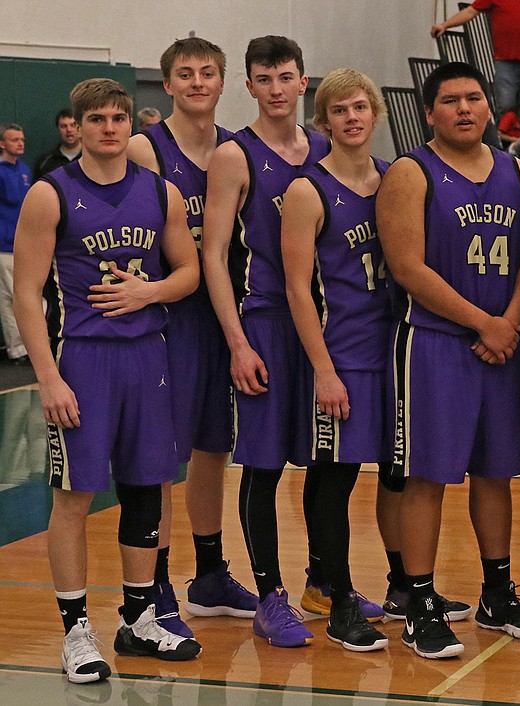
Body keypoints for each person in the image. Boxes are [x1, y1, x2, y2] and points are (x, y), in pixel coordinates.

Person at [13, 77, 202, 683]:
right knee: (74, 496)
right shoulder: (50, 195)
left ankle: (139, 616)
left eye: (119, 118)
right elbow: (24, 294)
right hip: (84, 360)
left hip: (148, 357)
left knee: (147, 487)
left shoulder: (159, 191)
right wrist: (48, 378)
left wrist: (151, 290)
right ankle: (75, 630)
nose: (110, 128)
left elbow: (190, 271)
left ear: (131, 125)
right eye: (97, 119)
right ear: (78, 125)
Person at [377, 61, 520, 660]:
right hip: (434, 343)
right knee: (428, 477)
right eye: (451, 101)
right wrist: (486, 323)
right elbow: (408, 269)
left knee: (494, 472)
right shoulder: (409, 172)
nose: (466, 109)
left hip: (498, 344)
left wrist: (509, 322)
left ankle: (497, 592)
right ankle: (419, 601)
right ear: (430, 112)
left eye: (475, 97)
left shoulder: (516, 171)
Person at [123, 36, 259, 643]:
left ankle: (208, 574)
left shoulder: (235, 150)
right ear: (168, 84)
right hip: (166, 320)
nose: (198, 82)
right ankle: (155, 586)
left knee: (212, 448)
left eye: (208, 73)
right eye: (186, 74)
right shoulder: (144, 150)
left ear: (223, 82)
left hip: (222, 315)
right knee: (161, 457)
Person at [202, 35, 334, 648]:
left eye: (286, 76)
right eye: (264, 78)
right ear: (248, 87)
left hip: (325, 326)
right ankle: (268, 594)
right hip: (264, 323)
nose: (277, 88)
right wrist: (236, 341)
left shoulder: (330, 146)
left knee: (328, 459)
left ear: (303, 81)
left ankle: (326, 580)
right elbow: (214, 254)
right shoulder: (236, 155)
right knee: (264, 462)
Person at [282, 68, 393, 653]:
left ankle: (382, 585)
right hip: (341, 356)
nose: (352, 118)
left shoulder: (396, 181)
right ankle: (338, 595)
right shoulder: (309, 190)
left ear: (374, 114)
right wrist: (323, 370)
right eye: (339, 111)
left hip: (392, 353)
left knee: (393, 476)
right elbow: (299, 290)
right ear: (323, 123)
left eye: (360, 108)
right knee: (334, 477)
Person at [431, 0, 520, 116]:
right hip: (507, 61)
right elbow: (470, 11)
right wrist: (445, 25)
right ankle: (505, 138)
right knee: (506, 106)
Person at [0, 123, 32, 364]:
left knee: (25, 297)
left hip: (25, 245)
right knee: (10, 298)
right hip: (4, 246)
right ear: (3, 144)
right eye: (14, 140)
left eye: (22, 139)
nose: (20, 143)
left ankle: (26, 346)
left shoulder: (25, 171)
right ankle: (18, 349)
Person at [32, 109, 81, 180]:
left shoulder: (91, 158)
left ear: (79, 127)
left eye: (73, 125)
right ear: (58, 129)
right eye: (64, 126)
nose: (69, 130)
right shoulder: (45, 162)